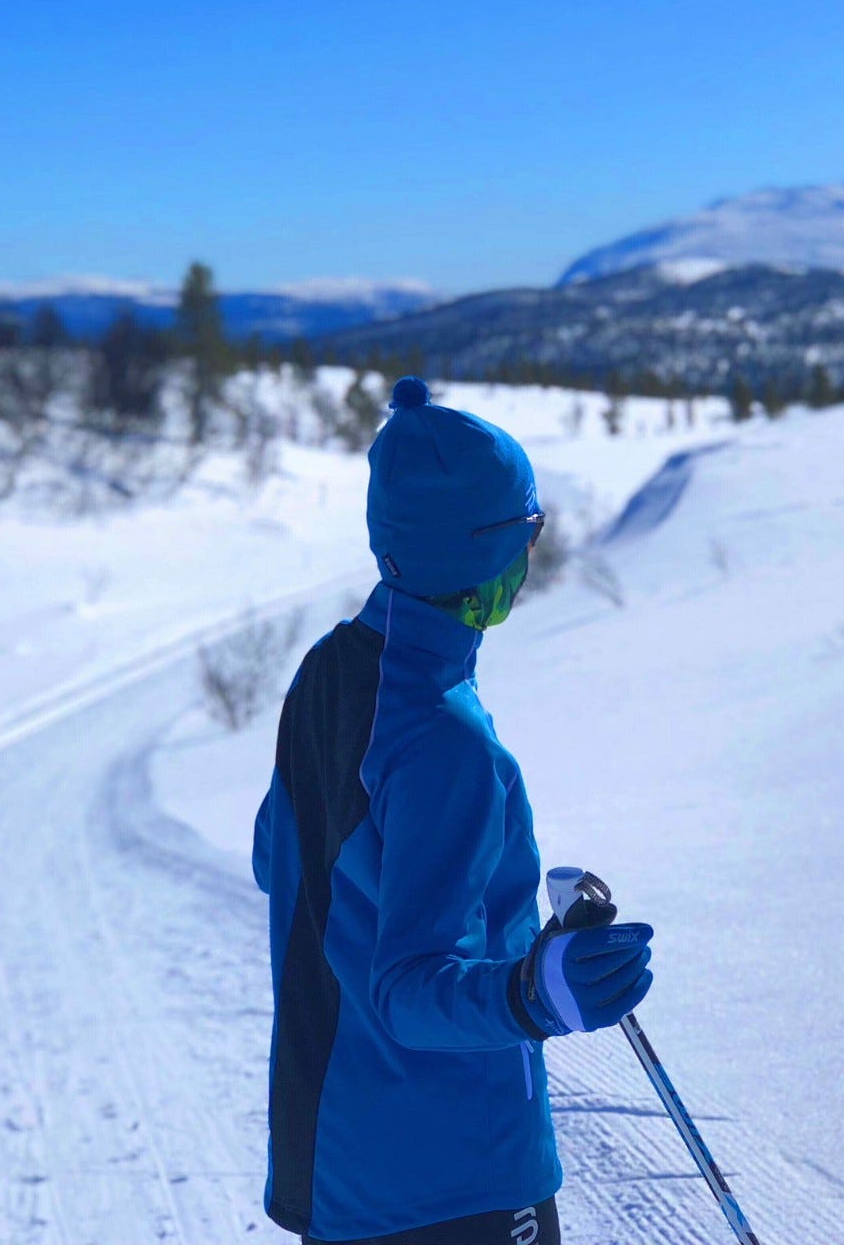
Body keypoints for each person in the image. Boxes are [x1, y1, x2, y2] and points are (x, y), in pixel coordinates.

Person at [252, 376, 653, 1245]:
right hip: (455, 1179)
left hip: (342, 1165)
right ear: (489, 552)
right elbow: (406, 989)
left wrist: (491, 895)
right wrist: (535, 991)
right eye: (529, 532)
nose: (533, 555)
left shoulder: (329, 673)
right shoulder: (444, 736)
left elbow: (275, 859)